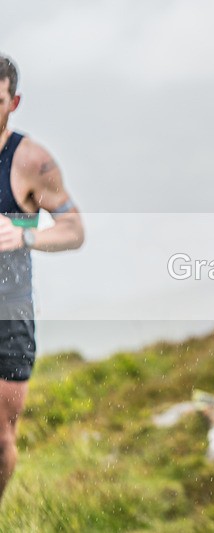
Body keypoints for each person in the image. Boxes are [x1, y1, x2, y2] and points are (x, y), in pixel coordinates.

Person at [0, 54, 84, 500]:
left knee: (1, 441)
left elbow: (74, 230)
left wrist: (25, 235)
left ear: (13, 103)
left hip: (10, 315)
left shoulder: (31, 161)